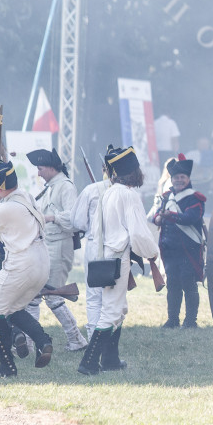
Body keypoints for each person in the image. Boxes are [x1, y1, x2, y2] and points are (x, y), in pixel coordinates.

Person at [78, 146, 160, 375]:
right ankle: (89, 362)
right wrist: (152, 253)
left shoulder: (109, 192)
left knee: (118, 308)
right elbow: (139, 234)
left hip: (105, 255)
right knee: (112, 311)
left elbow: (97, 229)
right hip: (118, 258)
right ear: (133, 171)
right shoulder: (128, 194)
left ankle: (111, 360)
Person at [0, 160, 54, 378]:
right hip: (41, 261)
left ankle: (7, 367)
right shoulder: (25, 196)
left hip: (22, 263)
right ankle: (42, 340)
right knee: (12, 308)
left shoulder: (5, 207)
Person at [25, 148, 87, 351]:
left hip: (60, 246)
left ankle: (76, 339)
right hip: (47, 245)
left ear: (51, 168)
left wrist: (50, 218)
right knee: (34, 294)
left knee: (52, 295)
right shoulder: (52, 186)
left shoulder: (65, 187)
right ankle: (29, 342)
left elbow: (74, 220)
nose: (39, 173)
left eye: (41, 168)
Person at [149, 153, 206, 329]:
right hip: (169, 248)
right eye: (176, 177)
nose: (179, 180)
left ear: (188, 179)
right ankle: (173, 319)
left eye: (182, 177)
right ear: (171, 179)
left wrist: (170, 216)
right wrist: (158, 218)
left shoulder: (195, 197)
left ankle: (191, 321)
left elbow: (191, 217)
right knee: (172, 284)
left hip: (188, 248)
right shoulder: (166, 196)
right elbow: (157, 214)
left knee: (188, 284)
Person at [72, 145, 115, 339]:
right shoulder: (127, 192)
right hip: (117, 249)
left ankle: (94, 339)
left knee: (94, 296)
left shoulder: (91, 190)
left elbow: (78, 222)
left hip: (94, 247)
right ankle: (108, 338)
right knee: (113, 298)